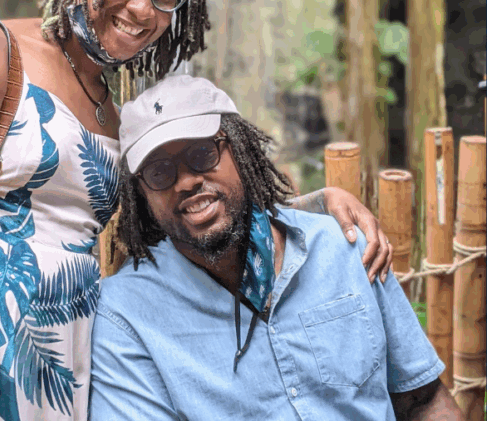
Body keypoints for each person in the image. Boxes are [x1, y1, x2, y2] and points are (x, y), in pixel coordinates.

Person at [0, 0, 393, 421]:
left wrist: (316, 205)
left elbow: (185, 212)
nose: (142, 10)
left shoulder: (114, 113)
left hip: (64, 364)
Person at [89, 75, 460, 420]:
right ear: (142, 195)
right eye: (159, 172)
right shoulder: (127, 315)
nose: (186, 181)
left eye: (202, 153)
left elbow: (424, 400)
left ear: (240, 149)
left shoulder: (344, 249)